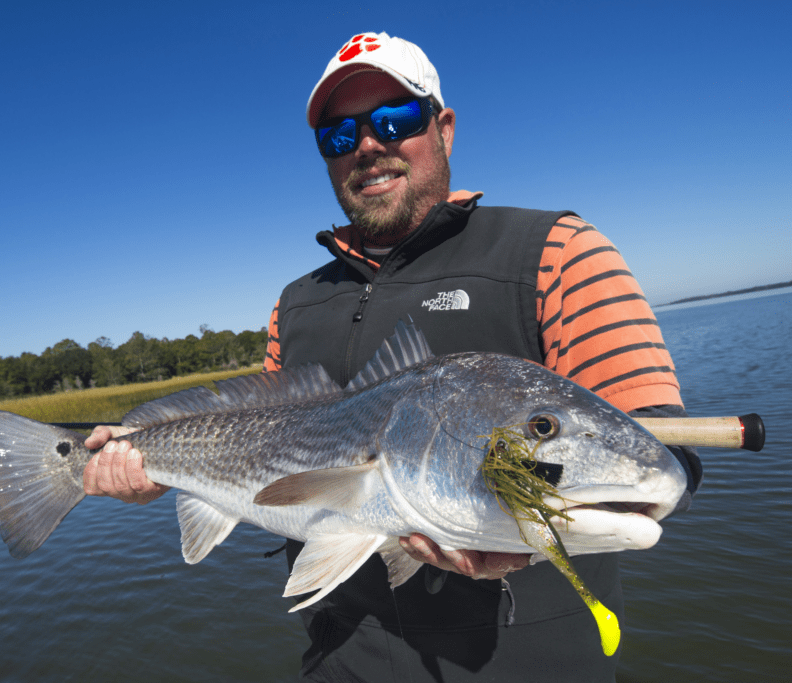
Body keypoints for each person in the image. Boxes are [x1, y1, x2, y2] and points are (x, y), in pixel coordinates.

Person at [83, 31, 702, 682]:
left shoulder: (556, 251)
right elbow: (248, 436)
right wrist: (147, 462)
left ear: (444, 127)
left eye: (394, 119)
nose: (368, 145)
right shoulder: (292, 305)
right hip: (336, 658)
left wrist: (531, 543)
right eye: (340, 135)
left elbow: (663, 458)